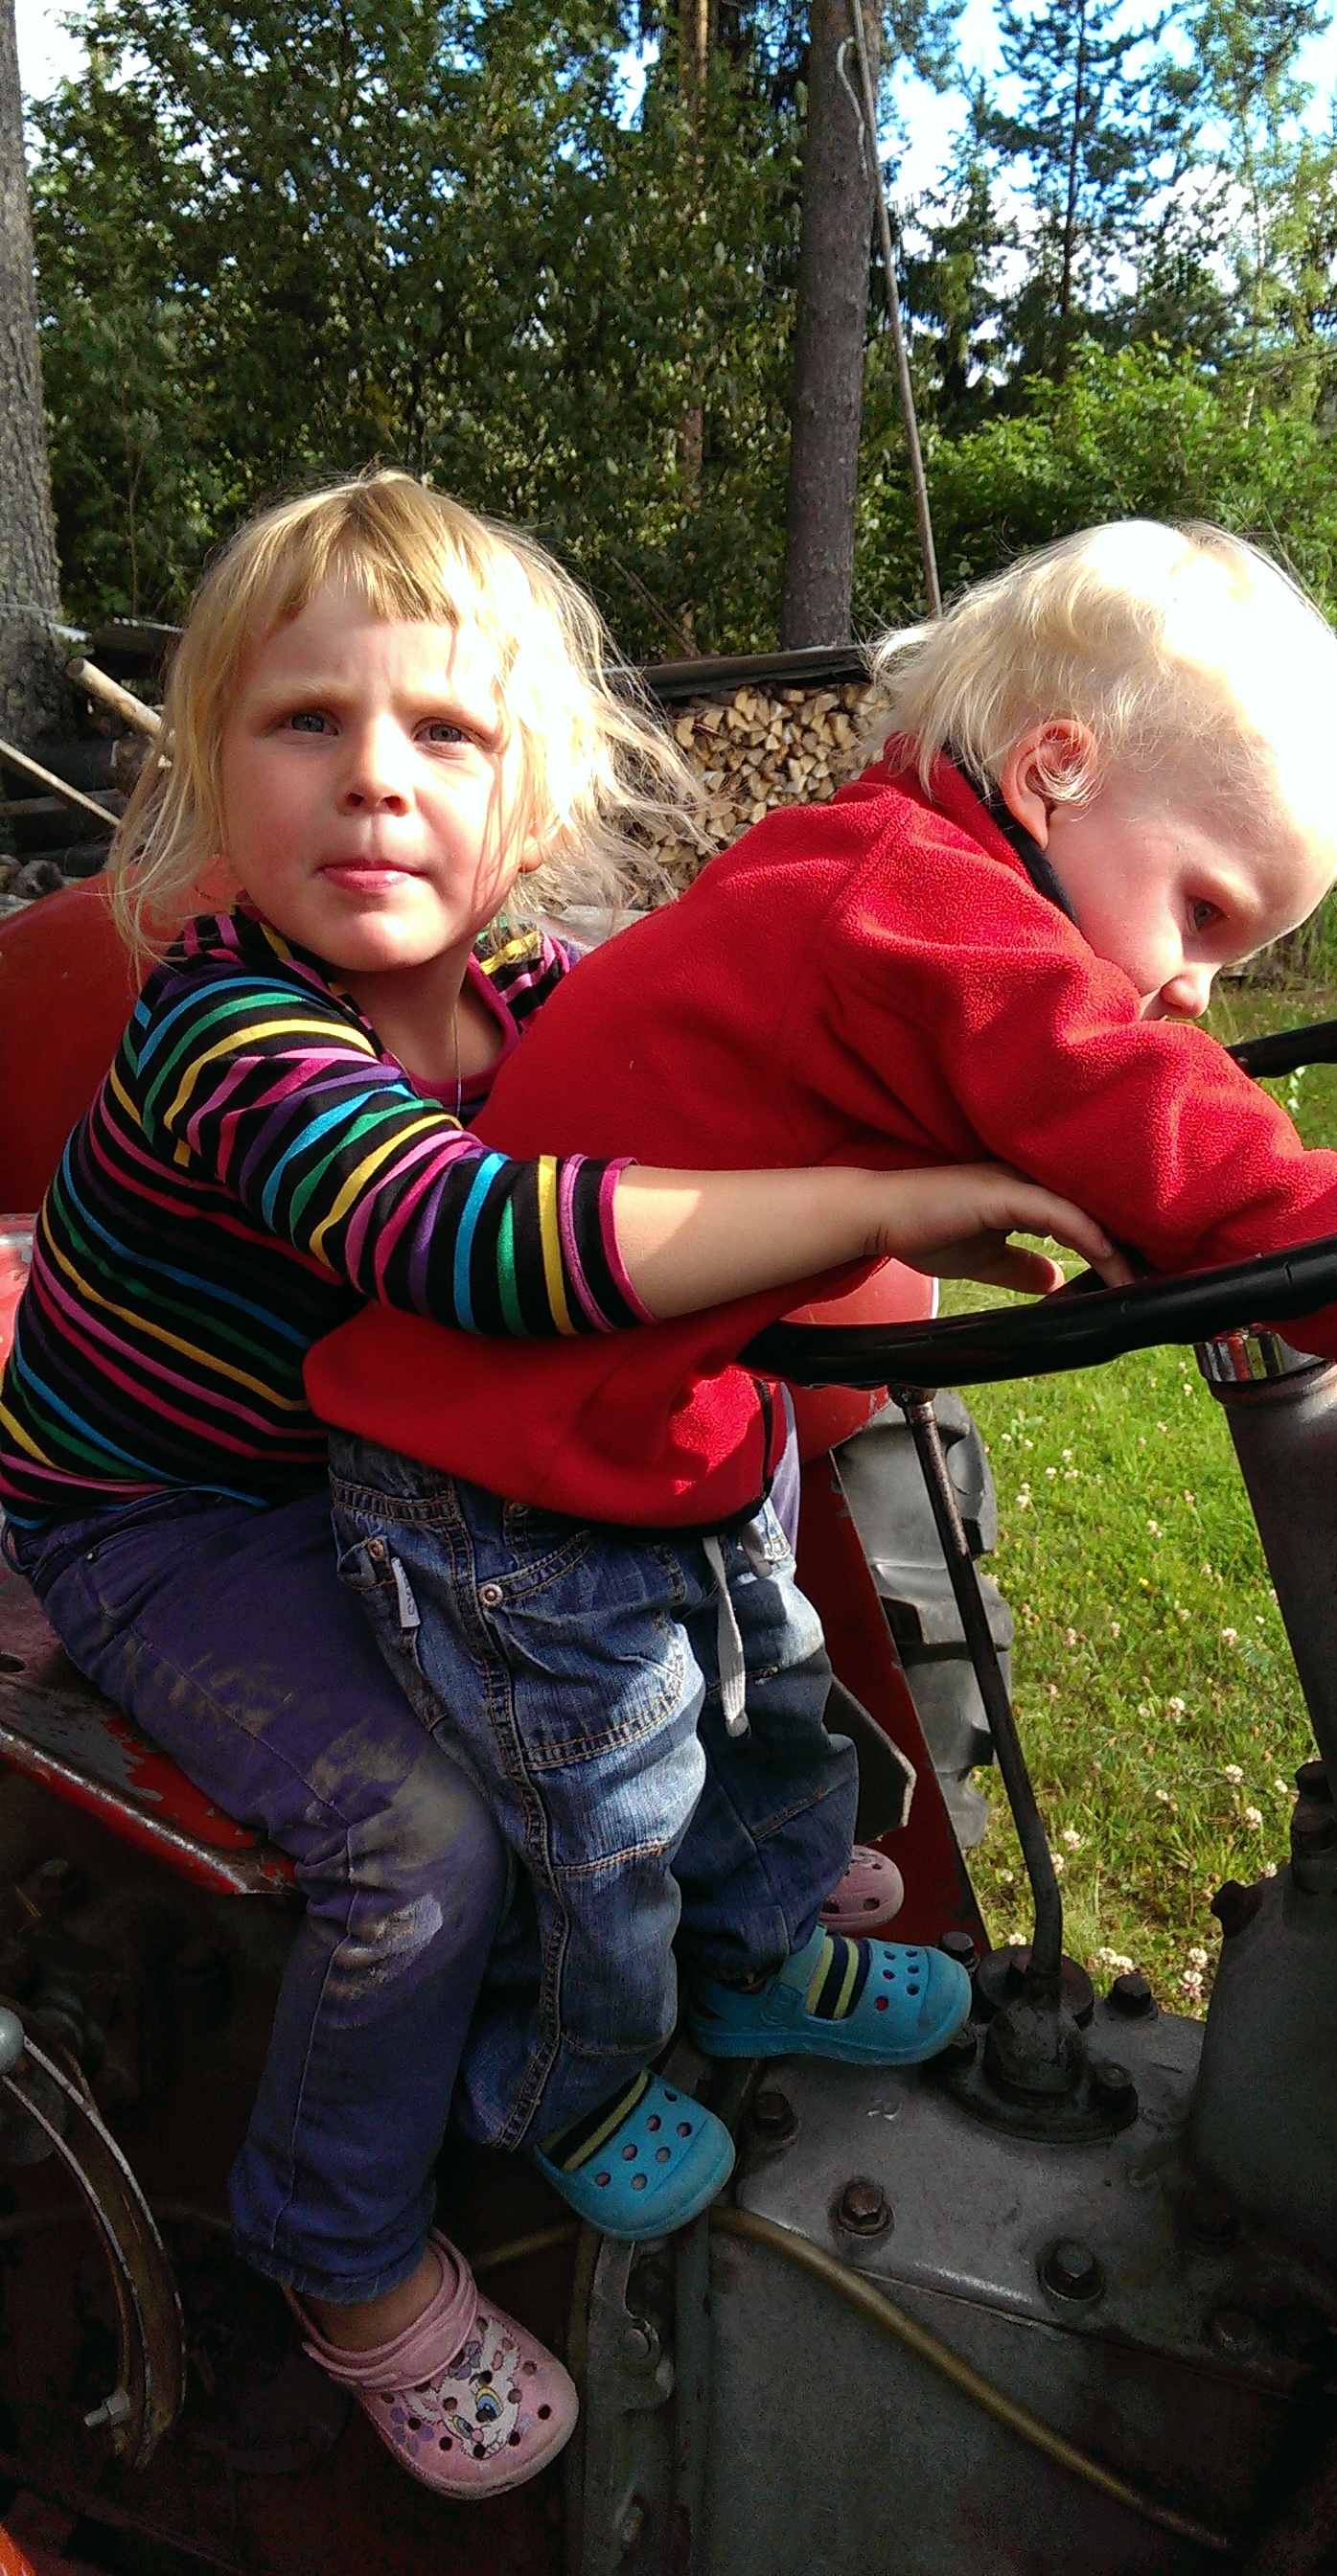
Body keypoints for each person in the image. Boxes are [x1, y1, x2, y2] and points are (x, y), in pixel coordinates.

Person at [0, 472, 1122, 2502]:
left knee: (722, 1543)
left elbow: (705, 1114)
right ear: (208, 776)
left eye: (445, 731)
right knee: (423, 1835)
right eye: (306, 721)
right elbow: (478, 1243)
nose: (374, 777)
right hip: (172, 1513)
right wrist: (878, 1203)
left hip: (380, 1464)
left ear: (531, 805)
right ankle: (339, 2255)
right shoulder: (233, 1033)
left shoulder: (533, 993)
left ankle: (739, 1899)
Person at [311, 513, 1337, 2225]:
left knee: (783, 1723)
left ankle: (759, 1960)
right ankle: (561, 2082)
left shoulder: (896, 870)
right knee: (604, 1822)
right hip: (505, 1480)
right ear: (1058, 771)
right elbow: (1186, 1144)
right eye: (1204, 911)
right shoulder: (923, 910)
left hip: (666, 1426)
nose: (1196, 990)